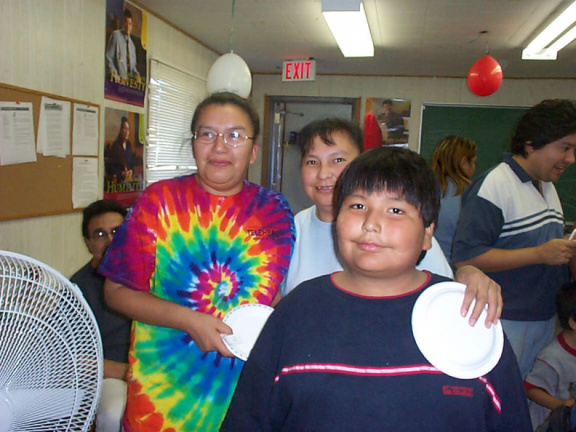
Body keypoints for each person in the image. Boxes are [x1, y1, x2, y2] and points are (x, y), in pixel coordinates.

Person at [221, 146, 531, 431]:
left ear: (427, 233)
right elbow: (249, 420)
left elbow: (510, 420)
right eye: (357, 205)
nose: (371, 223)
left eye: (395, 210)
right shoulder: (297, 310)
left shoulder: (465, 314)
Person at [99, 92, 295, 432]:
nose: (219, 147)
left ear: (254, 150)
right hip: (164, 394)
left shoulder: (274, 211)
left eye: (235, 135)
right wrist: (190, 321)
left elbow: (270, 296)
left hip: (246, 391)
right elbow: (116, 291)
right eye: (207, 134)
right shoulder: (158, 202)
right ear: (193, 143)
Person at [283, 118, 501, 326]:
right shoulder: (290, 227)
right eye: (312, 162)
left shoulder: (400, 230)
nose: (324, 173)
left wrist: (467, 274)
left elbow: (442, 291)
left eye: (338, 160)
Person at [452, 99, 576, 379]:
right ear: (532, 145)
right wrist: (539, 253)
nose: (570, 159)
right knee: (500, 399)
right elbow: (466, 257)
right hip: (505, 320)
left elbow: (543, 247)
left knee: (529, 400)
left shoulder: (547, 186)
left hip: (545, 319)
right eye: (564, 148)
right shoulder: (495, 185)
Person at [70, 199, 131, 432]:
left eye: (117, 231)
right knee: (115, 413)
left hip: (159, 367)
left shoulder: (152, 272)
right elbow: (78, 361)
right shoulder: (77, 290)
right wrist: (129, 372)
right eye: (100, 234)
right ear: (88, 243)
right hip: (114, 377)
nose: (111, 240)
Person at [525, 281, 576, 431]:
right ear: (573, 322)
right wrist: (561, 405)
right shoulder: (552, 357)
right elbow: (531, 389)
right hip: (551, 425)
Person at [431, 135, 477, 262]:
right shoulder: (471, 193)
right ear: (463, 162)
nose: (474, 167)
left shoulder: (423, 187)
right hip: (454, 268)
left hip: (422, 266)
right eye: (473, 162)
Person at [106, 8, 140, 83]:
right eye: (126, 22)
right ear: (122, 23)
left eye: (130, 24)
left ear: (132, 26)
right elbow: (109, 58)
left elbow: (133, 67)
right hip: (116, 83)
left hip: (127, 86)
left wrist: (137, 74)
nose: (128, 26)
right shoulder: (116, 36)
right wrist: (117, 78)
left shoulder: (132, 46)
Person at [105, 116, 134, 183]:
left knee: (140, 180)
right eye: (125, 129)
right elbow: (111, 169)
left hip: (129, 177)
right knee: (127, 187)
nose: (127, 132)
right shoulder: (116, 146)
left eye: (128, 129)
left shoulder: (129, 145)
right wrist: (121, 173)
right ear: (121, 130)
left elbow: (131, 164)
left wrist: (131, 171)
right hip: (120, 179)